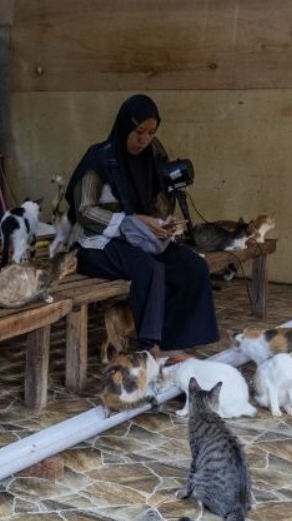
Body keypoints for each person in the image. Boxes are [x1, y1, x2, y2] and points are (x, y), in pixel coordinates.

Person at [65, 94, 219, 353]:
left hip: (137, 239)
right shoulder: (99, 158)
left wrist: (163, 224)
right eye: (138, 132)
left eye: (151, 133)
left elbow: (154, 204)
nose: (144, 140)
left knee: (193, 267)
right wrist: (127, 221)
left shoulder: (149, 160)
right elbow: (83, 210)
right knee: (149, 268)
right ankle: (151, 348)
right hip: (94, 244)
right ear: (125, 126)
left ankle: (177, 343)